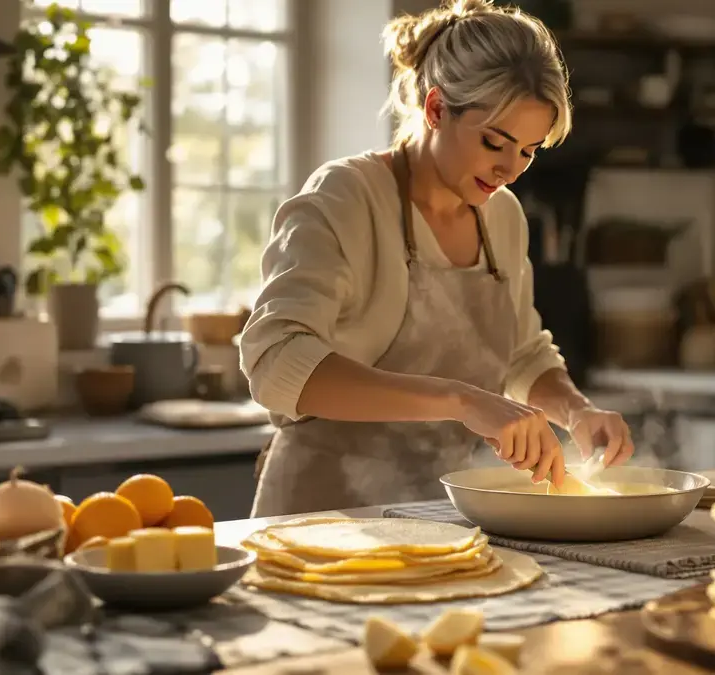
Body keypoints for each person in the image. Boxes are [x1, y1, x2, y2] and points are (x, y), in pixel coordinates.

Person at [240, 0, 635, 518]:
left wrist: (576, 411)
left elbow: (521, 354)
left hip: (439, 517)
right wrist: (462, 400)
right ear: (434, 109)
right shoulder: (347, 197)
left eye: (529, 150)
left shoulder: (502, 217)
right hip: (323, 516)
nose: (510, 169)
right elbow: (275, 363)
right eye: (495, 142)